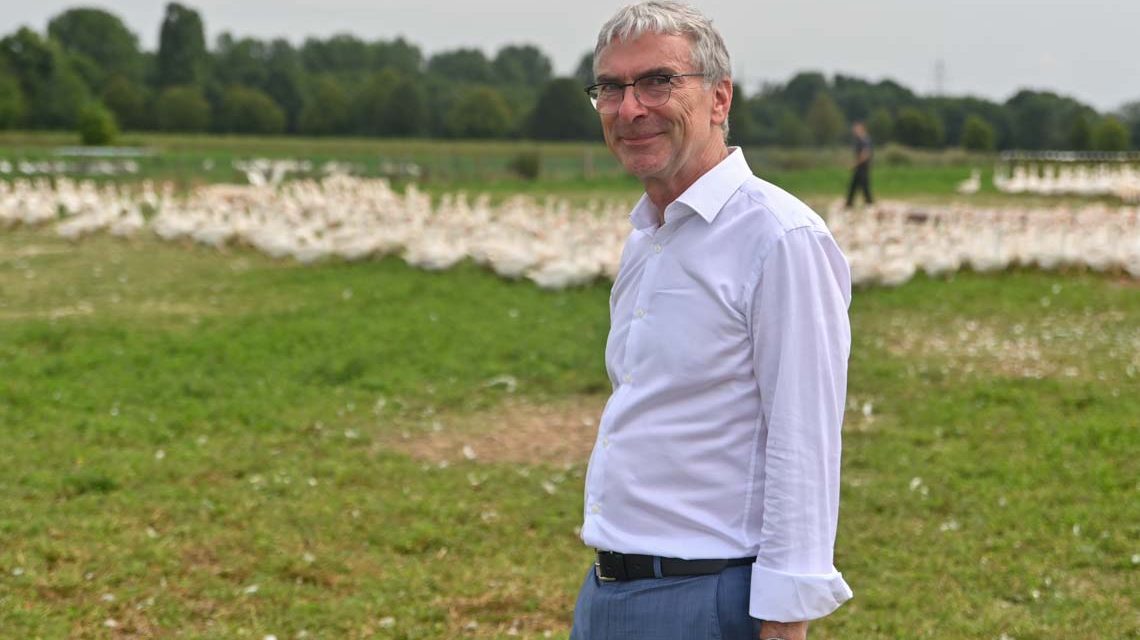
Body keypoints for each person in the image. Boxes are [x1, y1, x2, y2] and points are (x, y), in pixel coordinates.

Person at [571, 3, 854, 640]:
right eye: (610, 88)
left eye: (657, 82)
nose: (629, 108)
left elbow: (803, 437)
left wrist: (785, 615)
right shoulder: (649, 235)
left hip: (710, 599)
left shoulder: (779, 238)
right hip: (608, 590)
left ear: (720, 98)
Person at [845, 120, 873, 207]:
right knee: (854, 185)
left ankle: (869, 203)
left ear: (861, 129)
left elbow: (865, 154)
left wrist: (855, 164)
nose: (854, 131)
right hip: (860, 167)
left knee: (864, 186)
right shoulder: (860, 140)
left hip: (863, 167)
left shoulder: (864, 140)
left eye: (856, 129)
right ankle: (849, 203)